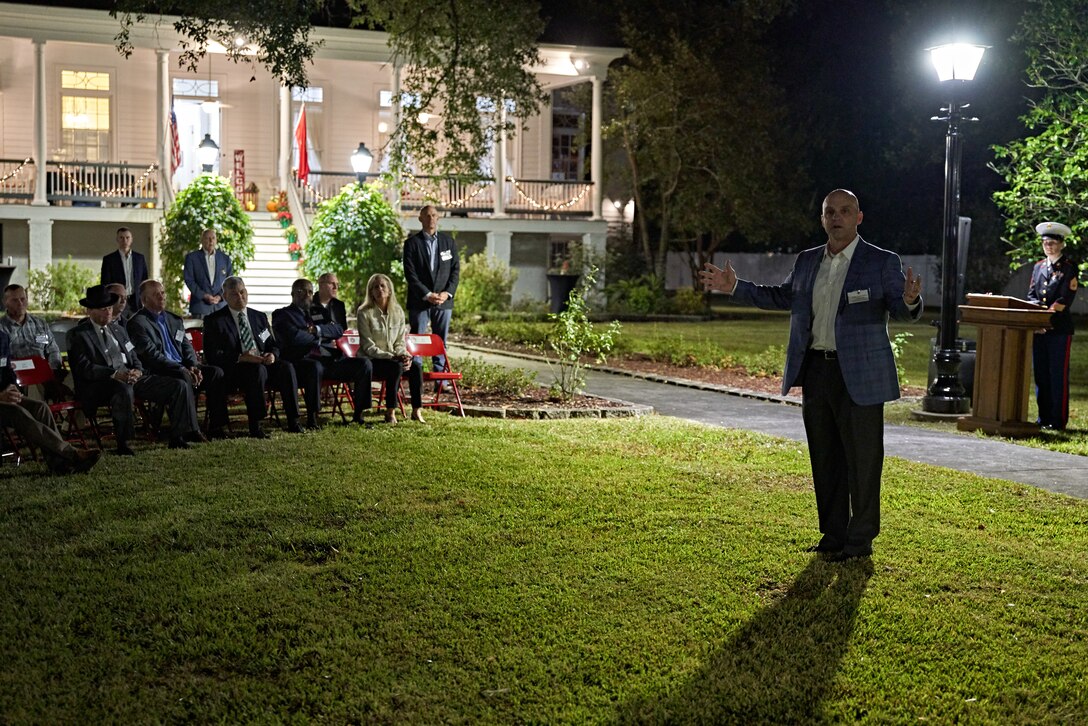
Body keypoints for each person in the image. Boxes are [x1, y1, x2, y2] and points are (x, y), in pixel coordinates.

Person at [699, 189, 923, 561]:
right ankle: (833, 535)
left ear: (858, 217)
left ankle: (860, 540)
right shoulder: (807, 261)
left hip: (861, 377)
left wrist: (912, 299)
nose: (837, 217)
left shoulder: (880, 261)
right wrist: (735, 287)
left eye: (845, 211)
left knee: (864, 461)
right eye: (829, 212)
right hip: (817, 371)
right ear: (822, 219)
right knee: (825, 457)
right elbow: (781, 296)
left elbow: (900, 308)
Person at [67, 285, 205, 455]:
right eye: (103, 309)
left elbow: (134, 356)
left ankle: (178, 436)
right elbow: (84, 368)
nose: (108, 312)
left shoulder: (118, 330)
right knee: (123, 389)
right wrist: (115, 374)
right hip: (102, 382)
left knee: (178, 385)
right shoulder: (78, 335)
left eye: (110, 308)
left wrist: (137, 370)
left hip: (131, 376)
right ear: (90, 311)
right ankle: (124, 443)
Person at [202, 276, 305, 437]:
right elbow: (212, 354)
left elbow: (273, 344)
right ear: (225, 297)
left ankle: (294, 420)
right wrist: (240, 357)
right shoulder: (214, 321)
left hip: (263, 361)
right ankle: (255, 425)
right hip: (236, 369)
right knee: (256, 371)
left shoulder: (259, 317)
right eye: (234, 294)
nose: (240, 297)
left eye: (242, 292)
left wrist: (273, 354)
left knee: (286, 367)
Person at [127, 279, 228, 434]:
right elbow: (151, 355)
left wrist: (193, 366)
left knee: (216, 373)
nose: (162, 297)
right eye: (156, 294)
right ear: (144, 300)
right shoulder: (138, 323)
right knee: (183, 376)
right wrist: (182, 368)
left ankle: (217, 426)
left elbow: (186, 345)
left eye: (162, 292)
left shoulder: (174, 319)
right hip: (161, 369)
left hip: (183, 366)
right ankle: (192, 430)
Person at [272, 278, 372, 427]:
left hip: (329, 360)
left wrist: (317, 330)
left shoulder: (318, 312)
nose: (307, 294)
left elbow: (338, 330)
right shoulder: (282, 314)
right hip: (303, 361)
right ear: (292, 294)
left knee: (364, 364)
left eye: (310, 292)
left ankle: (358, 415)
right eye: (301, 291)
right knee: (314, 367)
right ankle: (312, 418)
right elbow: (294, 337)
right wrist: (319, 338)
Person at [0, 327, 101, 474]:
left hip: (4, 395)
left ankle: (58, 464)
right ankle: (70, 453)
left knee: (41, 407)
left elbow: (7, 370)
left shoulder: (2, 338)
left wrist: (11, 387)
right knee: (18, 412)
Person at [1027, 221, 1079, 431]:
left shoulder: (1068, 268)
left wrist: (1045, 317)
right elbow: (1031, 295)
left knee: (1057, 376)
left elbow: (1065, 299)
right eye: (1046, 243)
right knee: (1041, 375)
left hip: (1059, 330)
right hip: (1039, 331)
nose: (1049, 246)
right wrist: (1034, 318)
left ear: (1061, 244)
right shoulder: (1038, 267)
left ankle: (1058, 420)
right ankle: (1043, 417)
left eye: (1053, 242)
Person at [357, 273, 425, 424]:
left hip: (393, 358)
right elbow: (368, 346)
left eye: (383, 286)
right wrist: (391, 356)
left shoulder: (398, 311)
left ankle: (416, 410)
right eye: (375, 287)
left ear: (389, 290)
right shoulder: (364, 312)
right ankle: (390, 411)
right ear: (371, 292)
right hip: (372, 360)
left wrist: (404, 355)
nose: (379, 289)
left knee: (416, 367)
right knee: (395, 367)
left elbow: (400, 341)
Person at [403, 205, 459, 376]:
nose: (431, 219)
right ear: (420, 219)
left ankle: (441, 381)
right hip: (420, 301)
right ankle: (416, 379)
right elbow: (410, 274)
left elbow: (455, 270)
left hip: (443, 302)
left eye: (434, 215)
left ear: (438, 218)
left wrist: (446, 293)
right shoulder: (412, 243)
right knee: (417, 341)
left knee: (441, 342)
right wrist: (427, 295)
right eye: (427, 216)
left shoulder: (448, 242)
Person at [0, 283, 65, 379]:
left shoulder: (40, 324)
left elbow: (53, 349)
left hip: (44, 375)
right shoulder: (2, 328)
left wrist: (52, 369)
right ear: (5, 302)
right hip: (15, 378)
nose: (20, 303)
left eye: (23, 299)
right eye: (14, 300)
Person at [183, 228, 232, 318]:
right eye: (207, 238)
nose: (211, 241)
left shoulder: (225, 259)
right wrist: (204, 295)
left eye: (213, 238)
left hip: (221, 307)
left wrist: (220, 296)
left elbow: (229, 281)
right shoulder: (192, 258)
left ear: (216, 240)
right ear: (202, 240)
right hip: (200, 306)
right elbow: (189, 280)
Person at [100, 226, 148, 316]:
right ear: (117, 239)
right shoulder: (109, 259)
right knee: (119, 325)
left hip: (136, 300)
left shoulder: (140, 258)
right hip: (117, 300)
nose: (124, 240)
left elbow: (144, 279)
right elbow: (105, 283)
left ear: (131, 239)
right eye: (121, 238)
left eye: (127, 237)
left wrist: (144, 298)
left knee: (136, 325)